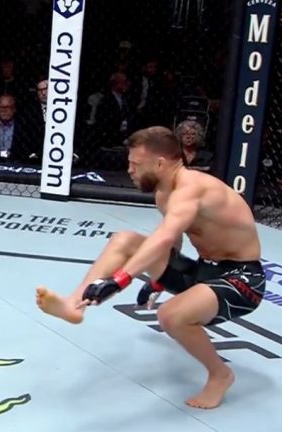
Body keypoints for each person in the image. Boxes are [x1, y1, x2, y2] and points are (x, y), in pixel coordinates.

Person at [36, 126, 265, 410]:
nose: (129, 170)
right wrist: (159, 280)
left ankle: (221, 375)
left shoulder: (193, 187)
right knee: (124, 240)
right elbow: (174, 240)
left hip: (241, 280)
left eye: (135, 164)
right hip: (204, 272)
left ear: (159, 163)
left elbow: (165, 238)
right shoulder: (164, 194)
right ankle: (74, 304)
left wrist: (120, 280)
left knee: (170, 315)